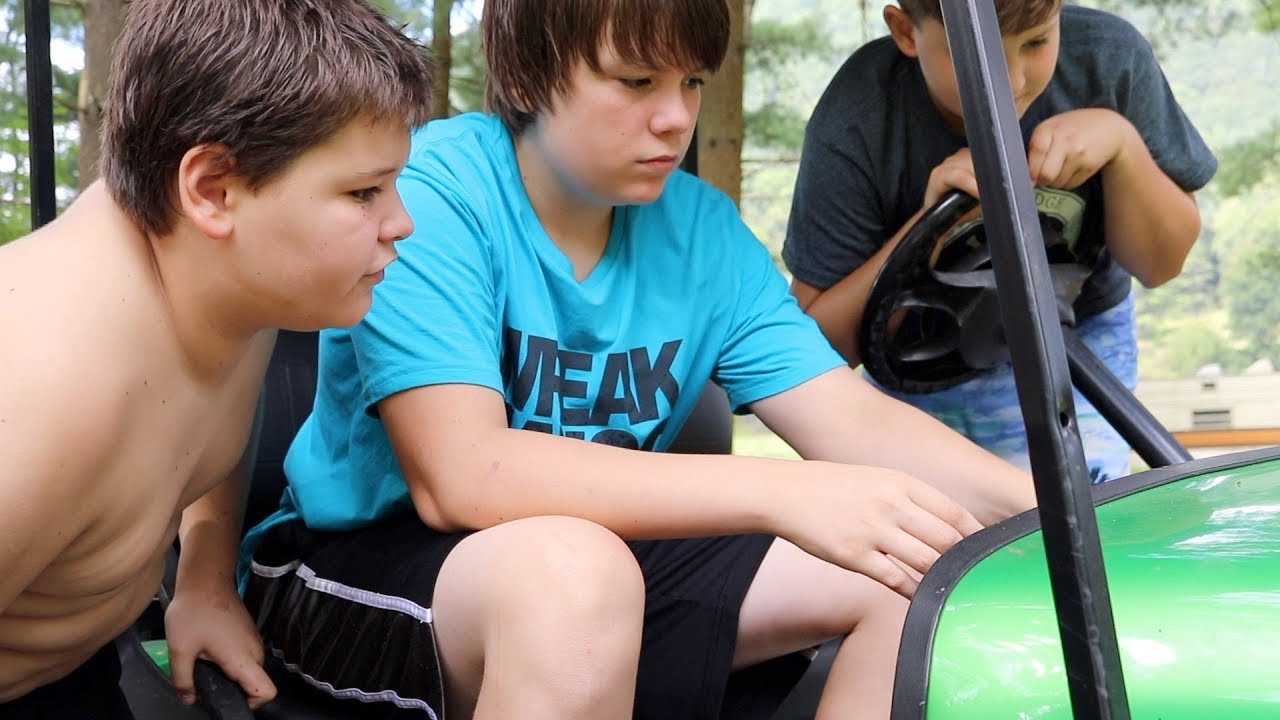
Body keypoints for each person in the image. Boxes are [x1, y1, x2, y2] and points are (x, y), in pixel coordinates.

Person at [240, 0, 1035, 718]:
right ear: (527, 75)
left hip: (599, 559)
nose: (675, 118)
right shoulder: (432, 189)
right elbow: (462, 476)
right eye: (636, 80)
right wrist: (785, 489)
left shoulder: (703, 232)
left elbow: (851, 417)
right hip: (368, 558)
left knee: (912, 573)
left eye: (691, 82)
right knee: (574, 575)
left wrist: (1057, 509)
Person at [0, 0, 432, 716]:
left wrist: (203, 571)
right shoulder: (45, 394)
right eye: (363, 192)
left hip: (80, 674)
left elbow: (210, 424)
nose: (402, 223)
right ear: (212, 190)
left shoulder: (223, 281)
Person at [783, 0, 1217, 483]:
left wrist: (1123, 148)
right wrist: (926, 230)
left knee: (1079, 529)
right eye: (973, 53)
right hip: (917, 368)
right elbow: (815, 348)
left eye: (1035, 42)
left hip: (1083, 350)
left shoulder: (1110, 60)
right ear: (905, 32)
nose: (1010, 82)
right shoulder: (858, 115)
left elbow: (1162, 264)